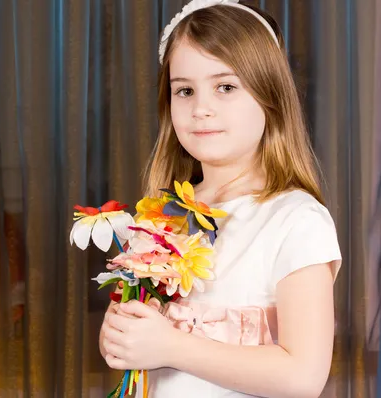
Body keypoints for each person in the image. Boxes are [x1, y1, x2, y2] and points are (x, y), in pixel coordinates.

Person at [98, 1, 342, 397]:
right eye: (185, 90)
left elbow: (303, 377)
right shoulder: (164, 214)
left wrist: (171, 345)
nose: (201, 109)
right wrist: (122, 334)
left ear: (270, 97)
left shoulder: (296, 220)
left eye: (225, 87)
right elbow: (141, 344)